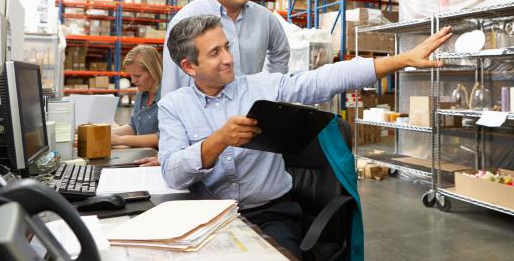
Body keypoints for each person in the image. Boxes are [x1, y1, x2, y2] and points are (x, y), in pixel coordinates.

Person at [157, 15, 453, 258]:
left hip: (272, 214)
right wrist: (219, 139)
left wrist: (401, 59)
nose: (228, 58)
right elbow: (173, 173)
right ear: (189, 67)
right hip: (209, 220)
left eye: (226, 47)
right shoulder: (174, 107)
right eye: (214, 53)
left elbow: (325, 79)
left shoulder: (263, 87)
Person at [161, 0, 290, 96]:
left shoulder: (265, 18)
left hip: (252, 113)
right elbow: (173, 84)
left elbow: (280, 52)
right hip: (206, 116)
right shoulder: (186, 20)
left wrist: (270, 89)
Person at [111, 45, 162, 151]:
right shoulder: (141, 93)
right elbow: (133, 127)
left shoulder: (167, 96)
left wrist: (120, 140)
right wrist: (102, 134)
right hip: (142, 152)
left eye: (138, 76)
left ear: (153, 71)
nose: (133, 81)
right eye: (131, 76)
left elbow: (162, 137)